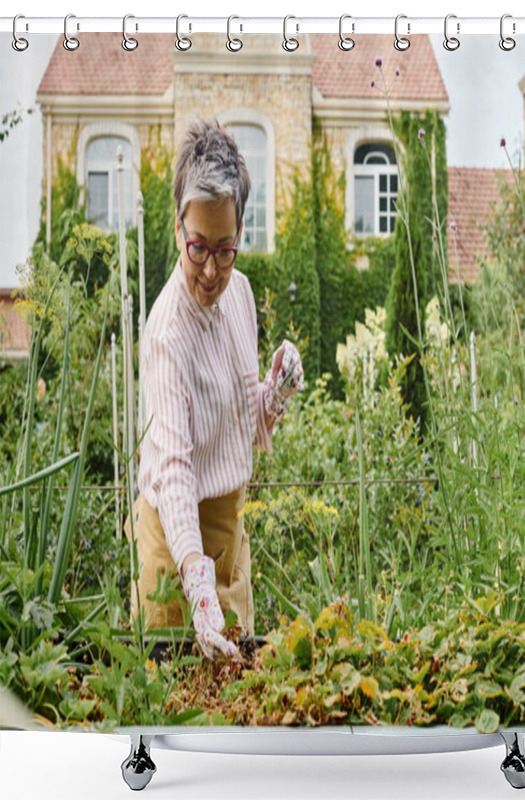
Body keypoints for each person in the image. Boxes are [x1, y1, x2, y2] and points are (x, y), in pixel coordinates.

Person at [123, 118, 303, 660]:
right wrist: (198, 591)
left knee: (236, 701)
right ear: (179, 228)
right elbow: (173, 470)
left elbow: (237, 415)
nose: (209, 269)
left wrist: (275, 392)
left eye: (225, 250)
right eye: (198, 247)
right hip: (175, 544)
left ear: (240, 233)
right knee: (177, 701)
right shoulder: (166, 334)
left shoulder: (241, 295)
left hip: (229, 533)